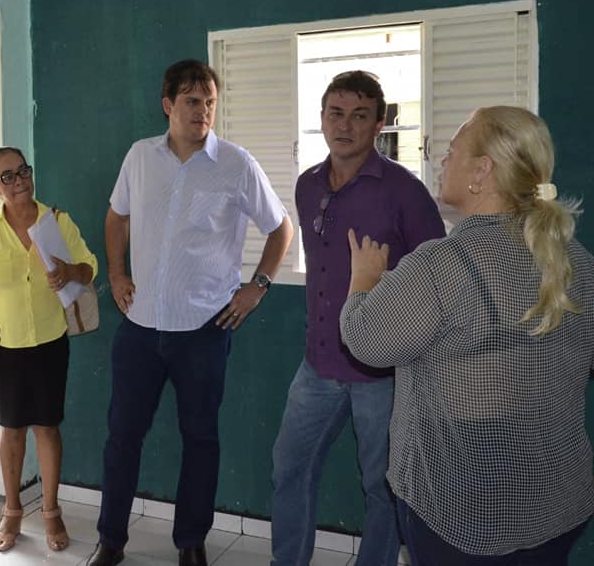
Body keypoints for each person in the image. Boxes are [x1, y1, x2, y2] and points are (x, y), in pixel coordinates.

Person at [341, 106, 594, 565]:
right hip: (559, 500)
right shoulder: (575, 257)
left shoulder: (442, 263)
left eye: (453, 151)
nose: (442, 159)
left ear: (482, 171)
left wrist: (364, 279)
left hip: (464, 508)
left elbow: (364, 340)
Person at [90, 59, 294, 566]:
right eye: (191, 101)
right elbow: (116, 216)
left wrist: (258, 287)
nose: (202, 111)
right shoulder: (140, 156)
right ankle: (111, 541)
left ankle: (191, 542)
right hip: (139, 328)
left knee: (200, 439)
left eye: (209, 102)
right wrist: (116, 273)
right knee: (122, 438)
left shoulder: (237, 164)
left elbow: (280, 227)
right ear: (168, 105)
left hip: (204, 329)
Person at [269, 71, 445, 566]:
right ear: (322, 118)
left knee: (382, 487)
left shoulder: (405, 192)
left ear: (379, 123)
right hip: (317, 366)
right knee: (289, 469)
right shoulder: (307, 186)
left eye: (359, 115)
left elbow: (439, 277)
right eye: (336, 114)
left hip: (382, 375)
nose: (345, 126)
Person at [0, 146, 98, 553]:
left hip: (50, 342)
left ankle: (52, 511)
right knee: (12, 429)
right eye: (8, 176)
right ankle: (13, 511)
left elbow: (89, 266)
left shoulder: (56, 221)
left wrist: (70, 271)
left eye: (23, 171)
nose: (19, 180)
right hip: (3, 347)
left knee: (47, 427)